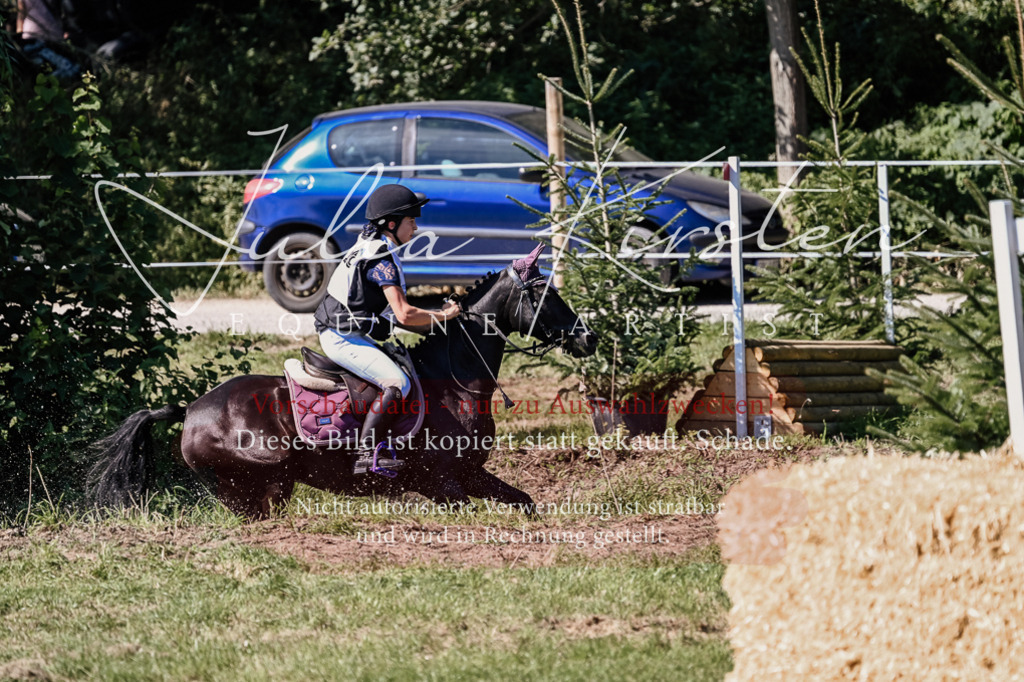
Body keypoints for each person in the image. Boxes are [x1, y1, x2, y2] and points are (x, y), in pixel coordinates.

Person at [313, 184, 460, 473]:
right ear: (391, 224)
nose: (416, 228)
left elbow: (390, 315)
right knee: (398, 383)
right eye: (411, 221)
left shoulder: (370, 245)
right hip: (341, 337)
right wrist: (445, 315)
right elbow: (404, 315)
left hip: (343, 329)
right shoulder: (382, 259)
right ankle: (366, 453)